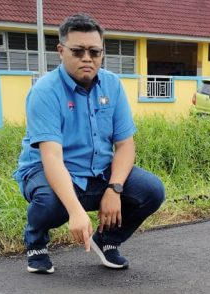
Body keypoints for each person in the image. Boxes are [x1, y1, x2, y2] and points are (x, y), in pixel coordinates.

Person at [13, 13, 165, 273]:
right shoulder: (45, 91)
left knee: (151, 191)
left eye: (94, 52)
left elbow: (125, 145)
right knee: (51, 204)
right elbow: (51, 157)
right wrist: (75, 211)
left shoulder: (112, 85)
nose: (87, 58)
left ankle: (107, 241)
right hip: (49, 170)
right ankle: (36, 242)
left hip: (98, 170)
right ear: (61, 51)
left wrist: (114, 189)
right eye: (78, 51)